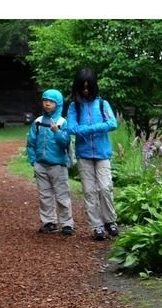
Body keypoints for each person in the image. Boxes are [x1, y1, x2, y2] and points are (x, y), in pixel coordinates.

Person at [66, 68, 118, 241]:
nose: (86, 91)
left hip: (102, 153)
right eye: (82, 87)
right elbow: (71, 128)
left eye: (88, 87)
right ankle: (96, 226)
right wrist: (95, 129)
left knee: (105, 187)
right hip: (84, 154)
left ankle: (110, 221)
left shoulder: (103, 104)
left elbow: (112, 123)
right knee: (89, 191)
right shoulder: (75, 106)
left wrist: (88, 130)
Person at [26, 88, 74, 235]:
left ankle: (67, 223)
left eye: (51, 102)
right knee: (45, 195)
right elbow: (31, 143)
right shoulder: (38, 122)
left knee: (62, 195)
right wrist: (34, 161)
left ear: (58, 104)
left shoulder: (62, 122)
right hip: (41, 165)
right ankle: (49, 222)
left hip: (58, 165)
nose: (47, 104)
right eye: (45, 101)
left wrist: (56, 132)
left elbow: (66, 143)